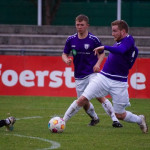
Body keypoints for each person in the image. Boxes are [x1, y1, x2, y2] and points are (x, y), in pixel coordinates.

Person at [63, 19, 148, 133]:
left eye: (114, 31)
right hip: (103, 77)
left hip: (119, 82)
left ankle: (139, 120)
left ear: (123, 32)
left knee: (120, 115)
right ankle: (62, 121)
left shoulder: (129, 40)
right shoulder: (120, 41)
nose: (112, 34)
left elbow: (121, 51)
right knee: (82, 99)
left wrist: (105, 47)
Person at [62, 14, 122, 127]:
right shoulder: (71, 39)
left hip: (92, 73)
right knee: (83, 101)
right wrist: (66, 60)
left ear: (87, 25)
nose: (79, 27)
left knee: (99, 96)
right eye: (77, 25)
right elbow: (64, 54)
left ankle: (115, 120)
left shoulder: (93, 39)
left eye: (82, 25)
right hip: (79, 75)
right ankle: (95, 118)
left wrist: (98, 64)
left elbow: (102, 53)